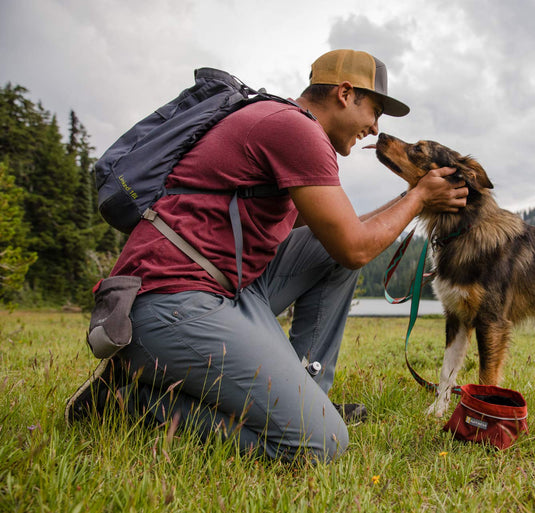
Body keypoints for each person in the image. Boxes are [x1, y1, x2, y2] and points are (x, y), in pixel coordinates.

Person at [65, 49, 467, 462]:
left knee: (328, 254)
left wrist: (410, 197)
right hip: (171, 304)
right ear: (345, 93)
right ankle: (125, 402)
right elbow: (355, 247)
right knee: (320, 444)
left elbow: (339, 236)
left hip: (219, 288)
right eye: (375, 110)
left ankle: (310, 397)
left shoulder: (281, 122)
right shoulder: (298, 133)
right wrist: (419, 197)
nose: (374, 127)